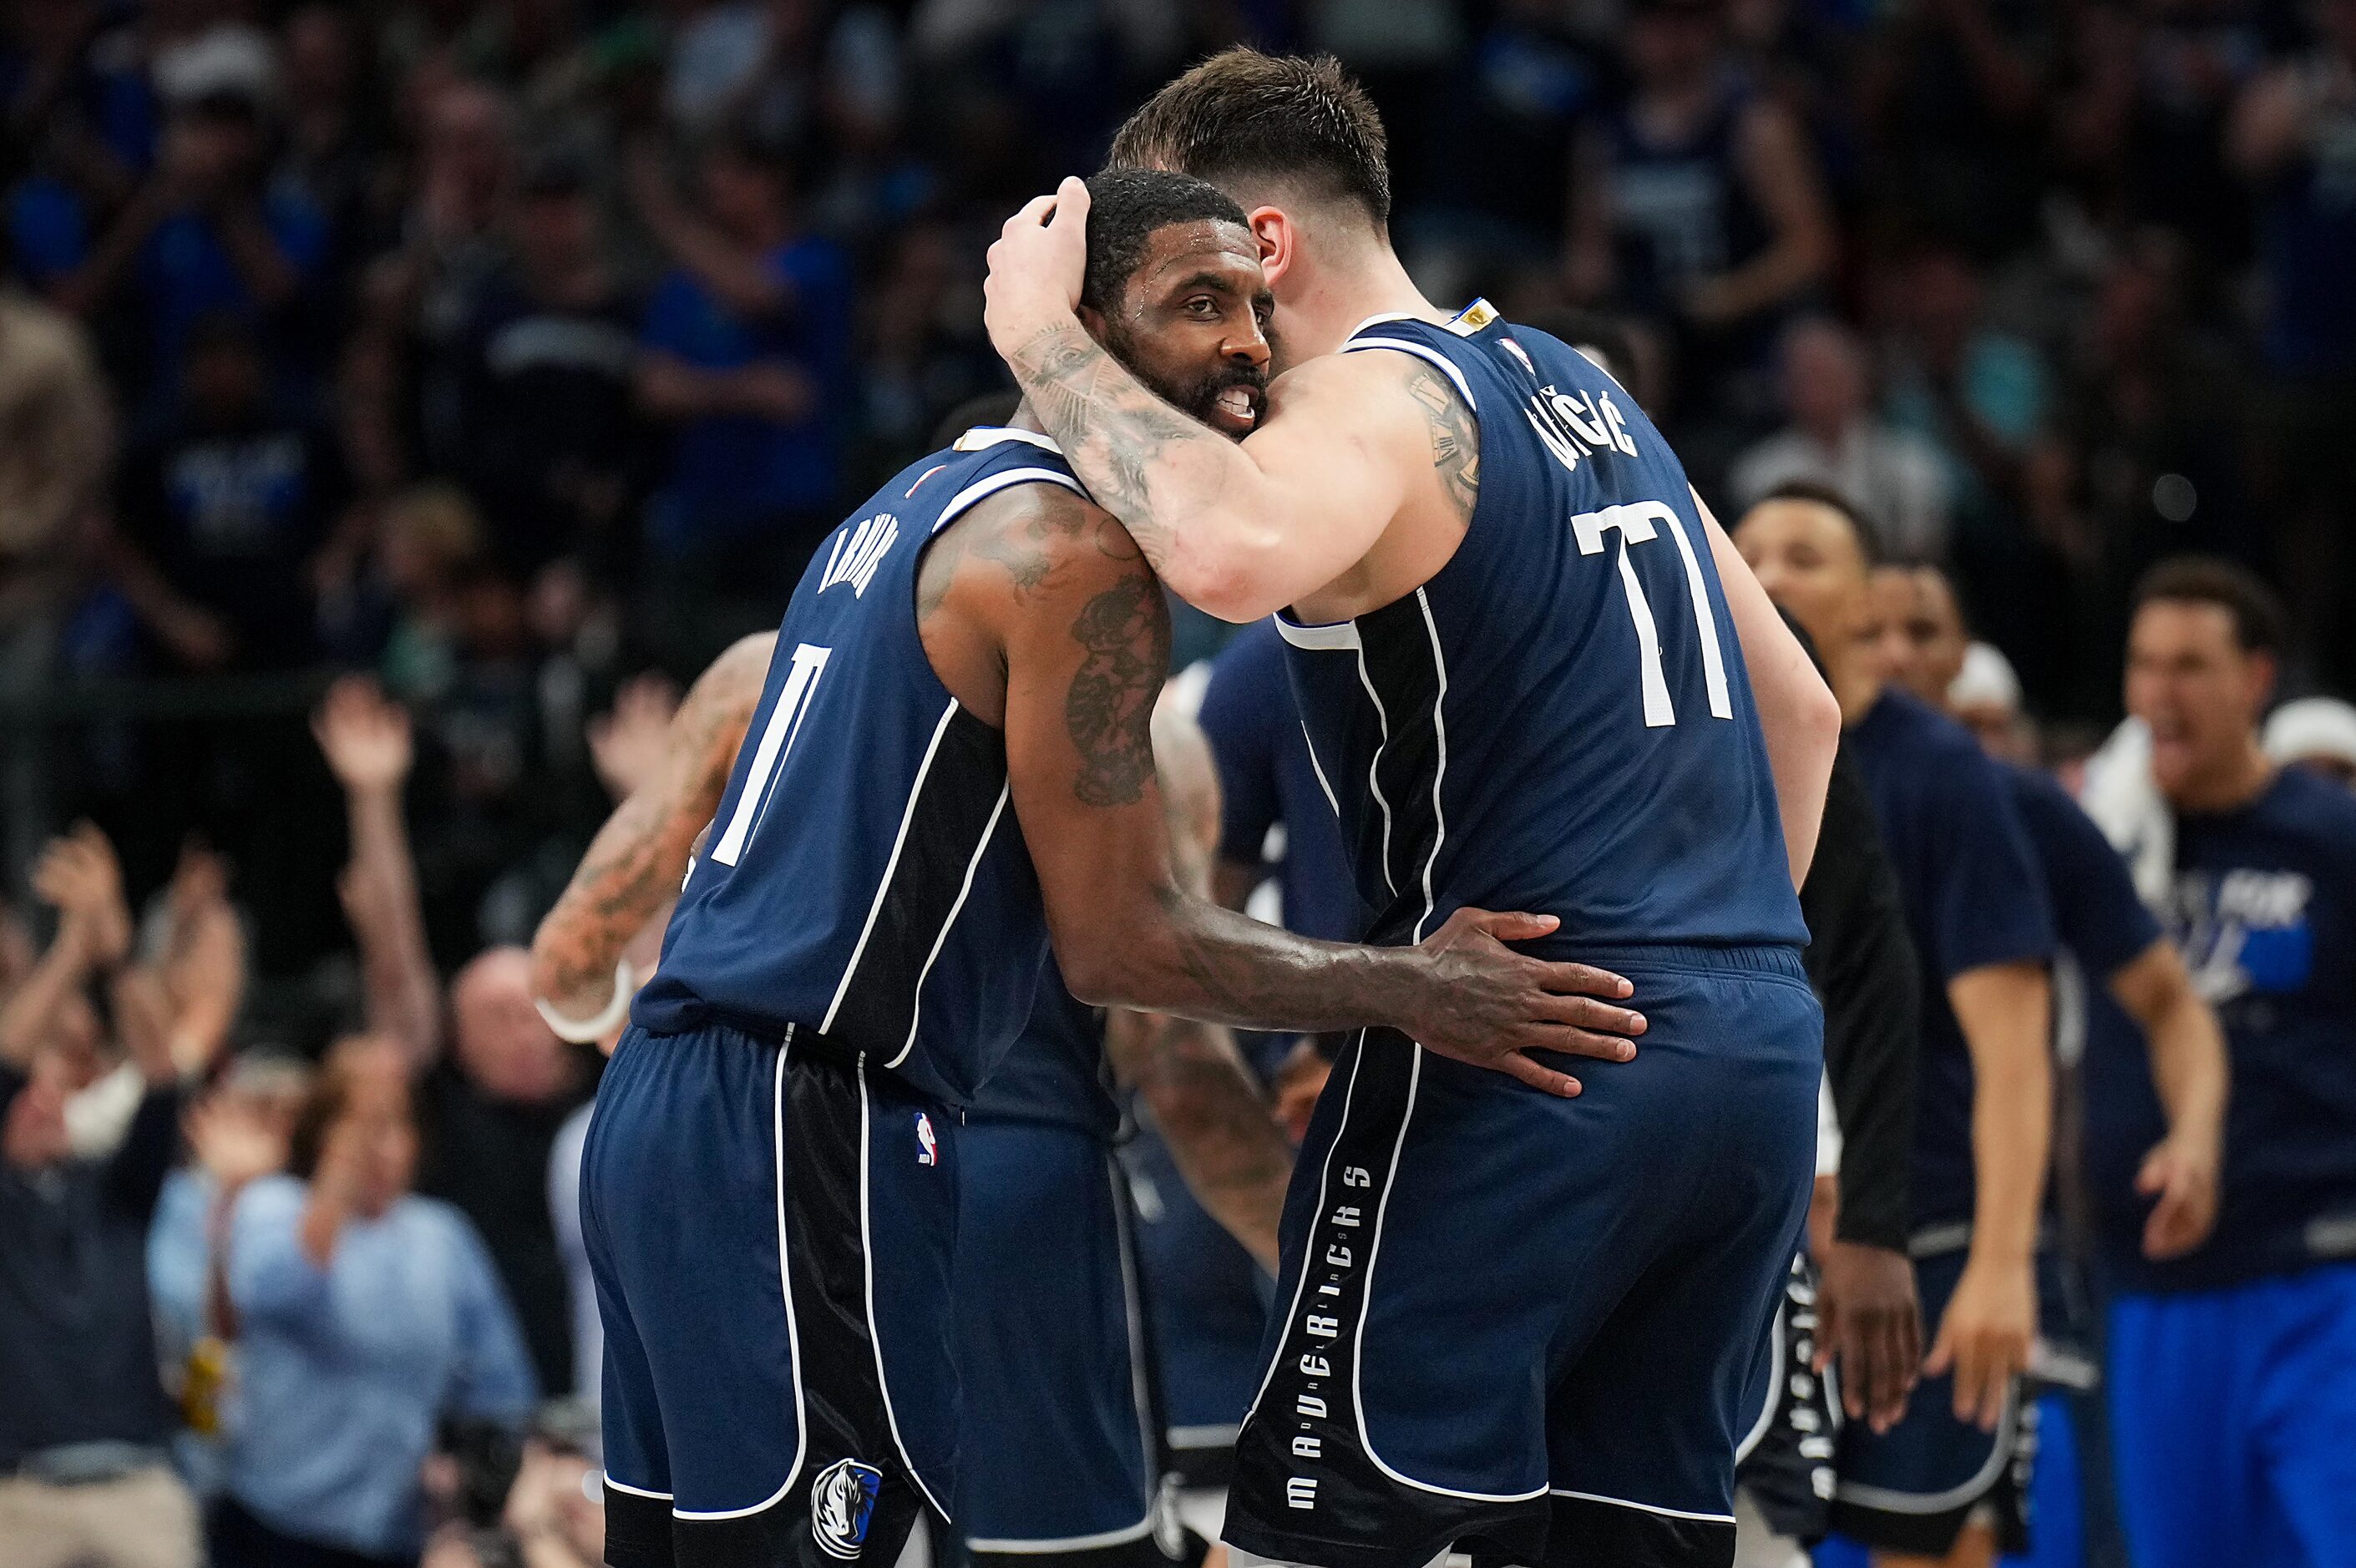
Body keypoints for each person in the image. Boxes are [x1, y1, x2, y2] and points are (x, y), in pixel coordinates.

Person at [585, 167, 1643, 1567]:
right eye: (1198, 302)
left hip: (666, 1112)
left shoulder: (903, 503)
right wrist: (1417, 987)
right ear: (1072, 327)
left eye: (1259, 307)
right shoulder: (1075, 553)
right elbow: (1124, 943)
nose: (1250, 343)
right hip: (809, 1118)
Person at [988, 51, 1842, 1566]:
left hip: (1529, 1036)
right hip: (1755, 1054)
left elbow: (1227, 551)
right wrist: (1711, 974)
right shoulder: (1586, 386)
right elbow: (1802, 712)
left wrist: (1035, 334)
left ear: (1259, 248)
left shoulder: (1370, 399)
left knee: (1303, 1542)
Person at [532, 626, 1295, 1568]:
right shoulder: (1128, 719)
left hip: (738, 1149)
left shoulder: (754, 676)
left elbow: (565, 964)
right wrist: (1329, 1271)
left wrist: (649, 1029)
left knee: (742, 1541)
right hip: (1010, 1169)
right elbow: (1177, 1069)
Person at [1872, 555, 2232, 1568]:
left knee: (1951, 1537)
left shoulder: (2018, 810)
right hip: (1768, 1238)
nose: (1896, 652)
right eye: (1873, 629)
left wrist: (2195, 1135)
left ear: (1962, 659)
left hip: (1946, 1239)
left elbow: (2169, 1003)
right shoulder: (1726, 782)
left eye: (1923, 630)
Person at [1732, 484, 2054, 1568]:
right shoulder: (1696, 737)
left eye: (1807, 556)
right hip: (1753, 1235)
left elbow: (2015, 1040)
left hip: (1914, 1231)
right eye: (1755, 551)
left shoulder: (1944, 771)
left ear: (1867, 595)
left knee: (1923, 1539)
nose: (1773, 576)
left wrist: (2004, 1258)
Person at [2077, 559, 2356, 1568]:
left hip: (2320, 1274)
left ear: (2255, 680)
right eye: (2143, 665)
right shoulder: (2101, 839)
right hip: (2156, 1282)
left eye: (2190, 665)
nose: (2160, 692)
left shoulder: (2331, 837)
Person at [316, 675, 599, 1399]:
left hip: (608, 1401)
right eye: (495, 1016)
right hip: (482, 1405)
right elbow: (395, 962)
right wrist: (373, 798)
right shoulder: (442, 1104)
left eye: (532, 1009)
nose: (522, 1031)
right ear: (458, 1040)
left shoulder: (602, 1098)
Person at [210, 1037, 538, 1568]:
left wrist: (475, 1476)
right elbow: (272, 1292)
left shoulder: (443, 1235)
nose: (377, 1146)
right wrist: (336, 1183)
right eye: (359, 1125)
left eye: (394, 1125)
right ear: (320, 1132)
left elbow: (500, 1385)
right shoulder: (272, 1205)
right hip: (276, 1525)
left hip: (396, 1531)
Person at [0, 825, 202, 1568]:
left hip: (138, 1480)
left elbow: (161, 1074)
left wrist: (114, 953)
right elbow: (4, 1064)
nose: (41, 1102)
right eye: (26, 1095)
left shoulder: (117, 1189)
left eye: (57, 1091)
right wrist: (71, 950)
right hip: (19, 1494)